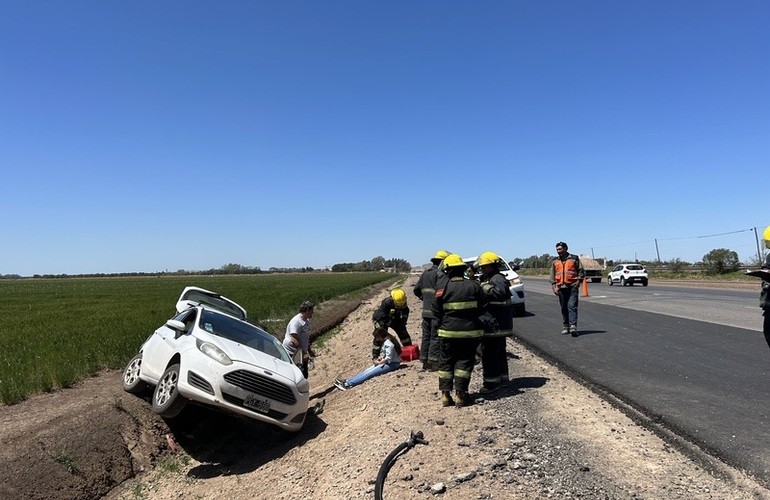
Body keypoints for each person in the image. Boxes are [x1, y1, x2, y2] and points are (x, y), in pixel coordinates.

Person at [432, 254, 487, 407]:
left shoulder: (442, 288)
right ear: (462, 269)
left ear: (447, 270)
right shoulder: (474, 286)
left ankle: (445, 395)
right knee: (464, 363)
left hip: (447, 334)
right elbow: (484, 307)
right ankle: (460, 396)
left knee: (446, 363)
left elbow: (435, 311)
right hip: (469, 334)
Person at [476, 251, 515, 393]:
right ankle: (503, 380)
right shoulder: (493, 277)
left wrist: (483, 286)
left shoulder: (497, 278)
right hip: (498, 324)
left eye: (484, 266)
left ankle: (491, 384)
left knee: (489, 354)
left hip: (495, 324)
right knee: (499, 353)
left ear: (491, 266)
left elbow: (499, 293)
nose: (482, 269)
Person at [413, 250, 449, 371]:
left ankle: (424, 361)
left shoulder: (425, 274)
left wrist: (424, 299)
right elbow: (443, 294)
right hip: (436, 312)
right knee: (435, 336)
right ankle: (434, 362)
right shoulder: (441, 275)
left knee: (426, 336)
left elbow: (416, 290)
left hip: (426, 311)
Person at [334, 328, 402, 390]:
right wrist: (380, 360)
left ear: (380, 336)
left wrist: (379, 362)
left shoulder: (388, 344)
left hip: (392, 364)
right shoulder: (387, 341)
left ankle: (347, 384)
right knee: (367, 371)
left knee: (369, 373)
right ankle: (348, 381)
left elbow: (388, 358)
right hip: (389, 363)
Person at [549, 242, 585, 337]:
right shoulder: (555, 261)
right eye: (557, 249)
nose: (558, 251)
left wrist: (579, 281)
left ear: (565, 249)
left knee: (572, 306)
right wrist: (554, 287)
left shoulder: (574, 258)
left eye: (560, 249)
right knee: (564, 307)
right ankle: (566, 326)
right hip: (561, 288)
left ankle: (573, 327)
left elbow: (581, 270)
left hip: (572, 286)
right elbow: (552, 275)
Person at [371, 288, 412, 360]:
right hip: (381, 318)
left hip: (393, 318)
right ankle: (375, 356)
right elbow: (383, 316)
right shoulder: (387, 302)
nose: (400, 306)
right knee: (380, 334)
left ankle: (409, 349)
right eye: (398, 304)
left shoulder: (403, 303)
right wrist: (391, 323)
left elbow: (405, 313)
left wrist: (402, 322)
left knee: (403, 332)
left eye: (402, 304)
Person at [283, 300, 315, 378]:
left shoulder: (306, 321)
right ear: (307, 311)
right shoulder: (296, 322)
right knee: (296, 374)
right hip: (293, 352)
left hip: (301, 352)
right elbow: (294, 340)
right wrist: (304, 354)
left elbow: (305, 338)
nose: (313, 312)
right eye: (312, 311)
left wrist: (309, 350)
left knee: (304, 374)